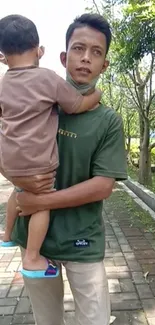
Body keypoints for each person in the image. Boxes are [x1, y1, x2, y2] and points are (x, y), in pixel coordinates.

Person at [12, 13, 127, 325]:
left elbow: (103, 186)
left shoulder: (108, 121)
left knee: (95, 321)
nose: (86, 58)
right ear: (63, 56)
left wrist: (41, 201)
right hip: (36, 241)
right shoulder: (38, 101)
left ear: (104, 65)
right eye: (78, 48)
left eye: (96, 52)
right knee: (46, 321)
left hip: (83, 241)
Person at [0, 14, 101, 279]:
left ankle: (8, 235)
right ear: (39, 50)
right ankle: (33, 258)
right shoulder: (47, 79)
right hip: (38, 166)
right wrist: (96, 96)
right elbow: (77, 105)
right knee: (40, 203)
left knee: (19, 189)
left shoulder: (3, 84)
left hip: (9, 163)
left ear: (3, 56)